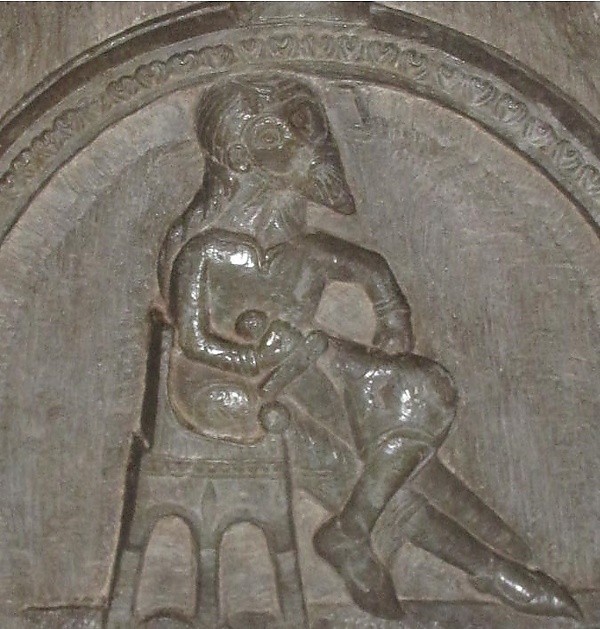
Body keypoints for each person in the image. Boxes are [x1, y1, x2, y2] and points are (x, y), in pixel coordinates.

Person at [155, 74, 581, 621]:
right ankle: (489, 566)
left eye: (307, 122)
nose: (308, 143)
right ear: (241, 158)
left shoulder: (305, 248)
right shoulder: (205, 251)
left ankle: (366, 532)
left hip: (301, 369)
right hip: (221, 388)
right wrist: (252, 359)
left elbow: (372, 270)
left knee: (404, 415)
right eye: (279, 133)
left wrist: (393, 319)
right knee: (338, 454)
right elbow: (191, 340)